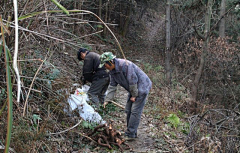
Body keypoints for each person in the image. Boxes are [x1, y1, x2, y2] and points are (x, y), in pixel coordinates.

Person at [99, 52, 152, 139]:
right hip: (133, 89)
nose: (105, 67)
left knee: (135, 111)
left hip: (142, 87)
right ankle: (131, 131)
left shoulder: (125, 65)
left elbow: (133, 81)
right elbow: (112, 86)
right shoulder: (112, 71)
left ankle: (130, 134)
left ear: (110, 62)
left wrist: (134, 95)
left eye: (105, 65)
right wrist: (107, 100)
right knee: (128, 110)